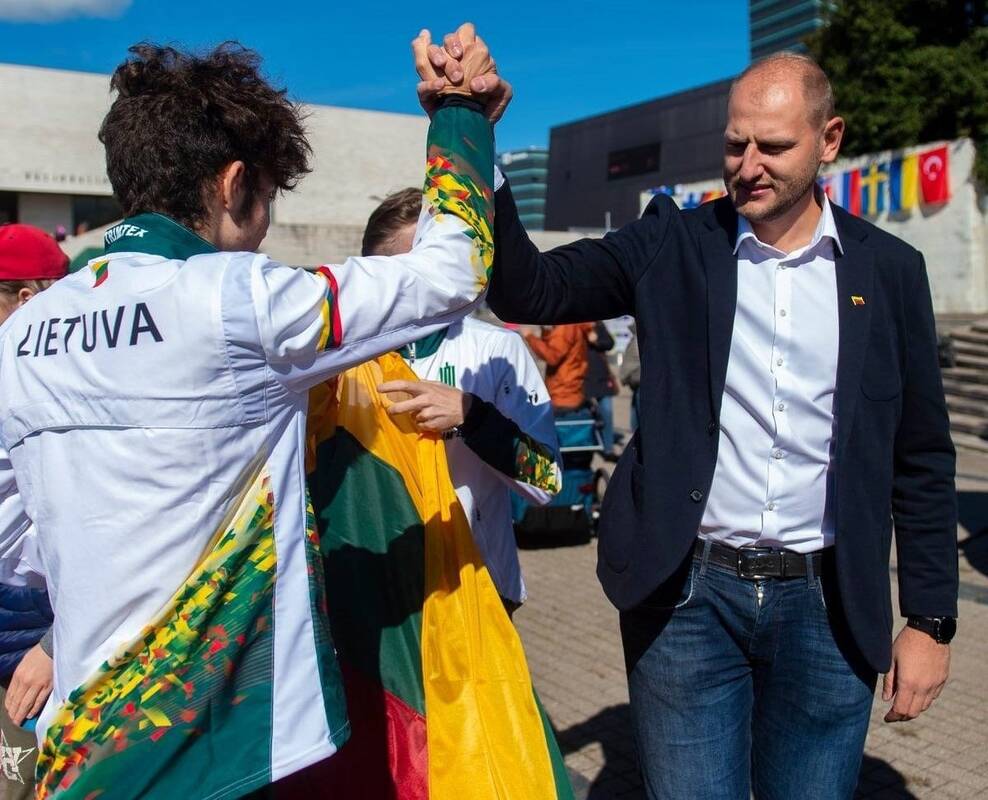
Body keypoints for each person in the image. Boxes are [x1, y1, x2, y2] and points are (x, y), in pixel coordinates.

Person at [428, 42, 958, 799]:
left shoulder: (891, 270)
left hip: (831, 608)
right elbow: (527, 290)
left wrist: (930, 621)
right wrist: (474, 139)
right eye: (736, 144)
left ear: (829, 140)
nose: (749, 166)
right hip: (687, 599)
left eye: (773, 146)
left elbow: (923, 456)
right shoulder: (671, 243)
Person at [0, 30, 507, 799]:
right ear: (234, 184)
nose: (264, 224)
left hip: (80, 751)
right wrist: (460, 117)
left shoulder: (23, 331)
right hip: (216, 753)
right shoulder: (241, 300)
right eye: (268, 198)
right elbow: (452, 273)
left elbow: (15, 548)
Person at [363, 187, 562, 608]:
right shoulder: (341, 358)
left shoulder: (495, 350)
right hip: (377, 596)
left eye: (433, 266)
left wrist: (472, 418)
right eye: (405, 272)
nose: (423, 285)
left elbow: (547, 482)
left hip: (477, 590)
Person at [0, 224, 65, 799]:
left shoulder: (53, 387)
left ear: (23, 300)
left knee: (19, 786)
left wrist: (52, 641)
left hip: (33, 626)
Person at [524, 323, 593, 413]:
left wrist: (530, 337)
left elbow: (552, 356)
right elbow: (554, 344)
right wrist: (546, 330)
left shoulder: (566, 327)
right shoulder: (570, 326)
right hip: (568, 391)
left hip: (563, 394)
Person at [584, 321, 618, 460]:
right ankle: (586, 447)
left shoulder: (598, 325)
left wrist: (596, 340)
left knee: (607, 414)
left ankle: (608, 449)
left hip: (602, 379)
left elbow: (610, 343)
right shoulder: (574, 325)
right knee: (585, 417)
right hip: (582, 379)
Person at [620, 325, 641, 431]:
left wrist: (624, 376)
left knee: (638, 412)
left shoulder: (637, 340)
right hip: (637, 380)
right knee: (636, 410)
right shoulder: (636, 339)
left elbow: (631, 362)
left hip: (638, 380)